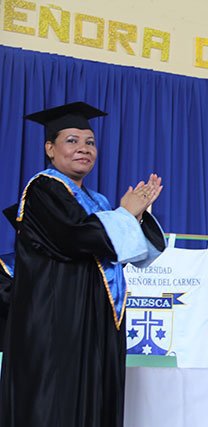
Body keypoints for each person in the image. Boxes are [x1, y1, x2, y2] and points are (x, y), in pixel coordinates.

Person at [0, 102, 166, 427]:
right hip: (56, 320)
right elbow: (74, 238)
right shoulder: (42, 188)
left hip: (93, 319)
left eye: (90, 142)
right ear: (50, 149)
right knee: (57, 404)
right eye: (72, 141)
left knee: (94, 400)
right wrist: (124, 214)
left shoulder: (98, 201)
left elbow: (119, 254)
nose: (84, 149)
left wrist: (135, 216)